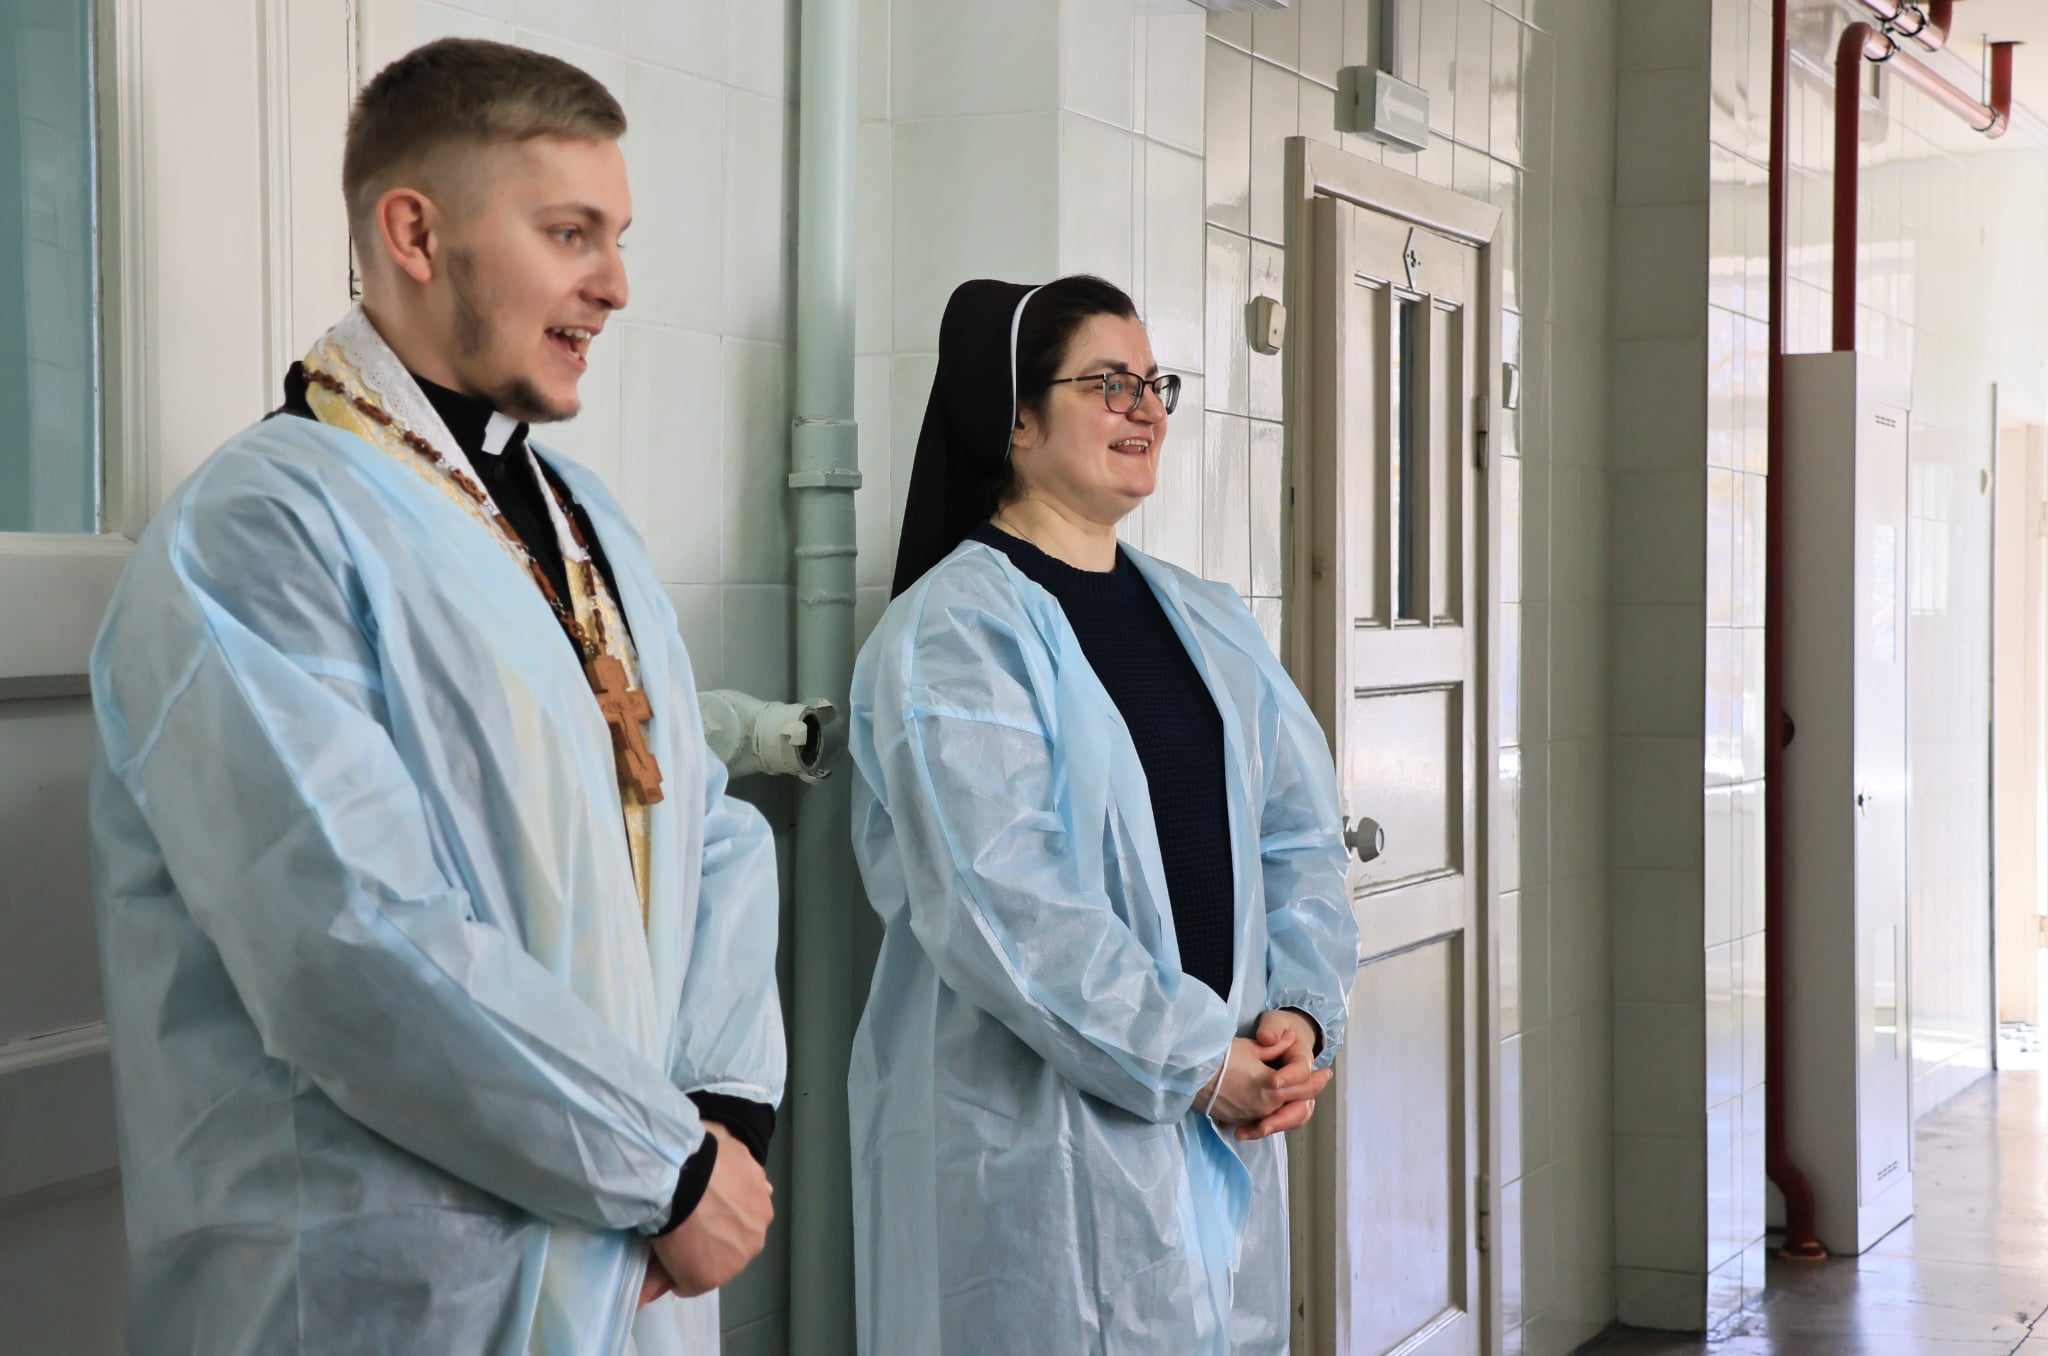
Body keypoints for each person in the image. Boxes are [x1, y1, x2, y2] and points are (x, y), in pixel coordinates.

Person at [87, 39, 780, 1356]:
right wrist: (666, 1168)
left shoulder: (582, 522)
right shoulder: (262, 532)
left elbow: (704, 827)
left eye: (618, 237)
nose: (615, 284)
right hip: (395, 1282)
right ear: (414, 232)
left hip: (632, 1254)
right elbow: (350, 937)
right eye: (570, 233)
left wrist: (722, 1109)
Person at [846, 275, 1361, 1354]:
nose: (1145, 410)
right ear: (1016, 420)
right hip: (1034, 1140)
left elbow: (1297, 835)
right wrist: (1195, 1061)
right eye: (1108, 383)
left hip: (1223, 1100)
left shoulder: (1206, 619)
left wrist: (1298, 1017)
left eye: (1153, 383)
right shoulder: (954, 634)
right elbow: (1007, 909)